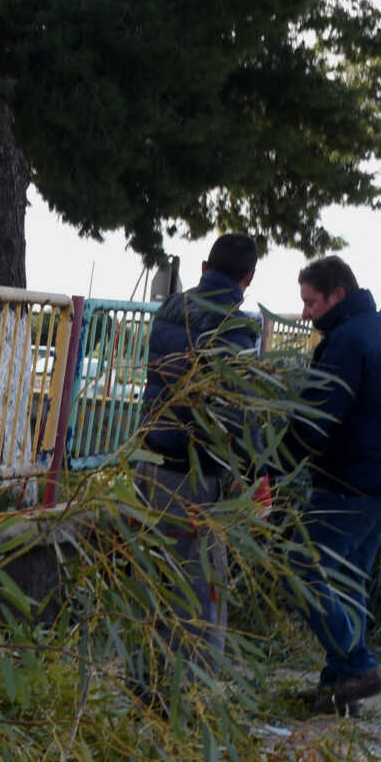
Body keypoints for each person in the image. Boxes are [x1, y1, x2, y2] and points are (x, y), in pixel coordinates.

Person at [286, 254, 381, 712]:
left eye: (310, 302)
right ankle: (339, 690)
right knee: (346, 582)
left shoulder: (348, 340)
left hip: (352, 484)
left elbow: (315, 418)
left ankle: (358, 665)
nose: (305, 314)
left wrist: (272, 466)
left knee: (299, 568)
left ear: (337, 296)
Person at [134, 232, 263, 660]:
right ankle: (193, 690)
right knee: (201, 584)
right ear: (249, 278)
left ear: (204, 268)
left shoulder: (169, 309)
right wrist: (253, 469)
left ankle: (144, 681)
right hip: (196, 472)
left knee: (151, 575)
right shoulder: (234, 324)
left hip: (151, 456)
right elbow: (234, 406)